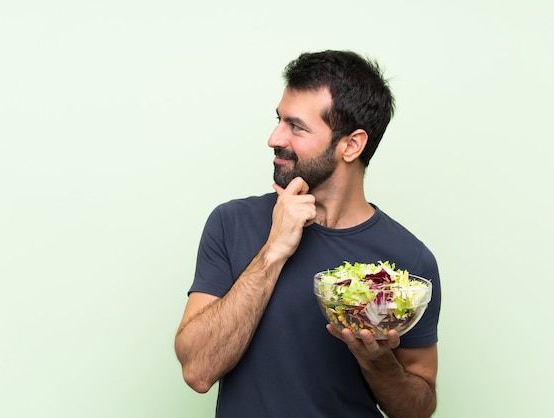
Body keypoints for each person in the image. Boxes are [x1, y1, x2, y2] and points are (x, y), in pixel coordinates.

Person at [174, 50, 442, 418]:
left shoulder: (408, 263)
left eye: (296, 127)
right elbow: (198, 371)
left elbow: (419, 408)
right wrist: (273, 250)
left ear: (351, 145)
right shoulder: (232, 223)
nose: (274, 138)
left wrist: (377, 361)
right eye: (278, 120)